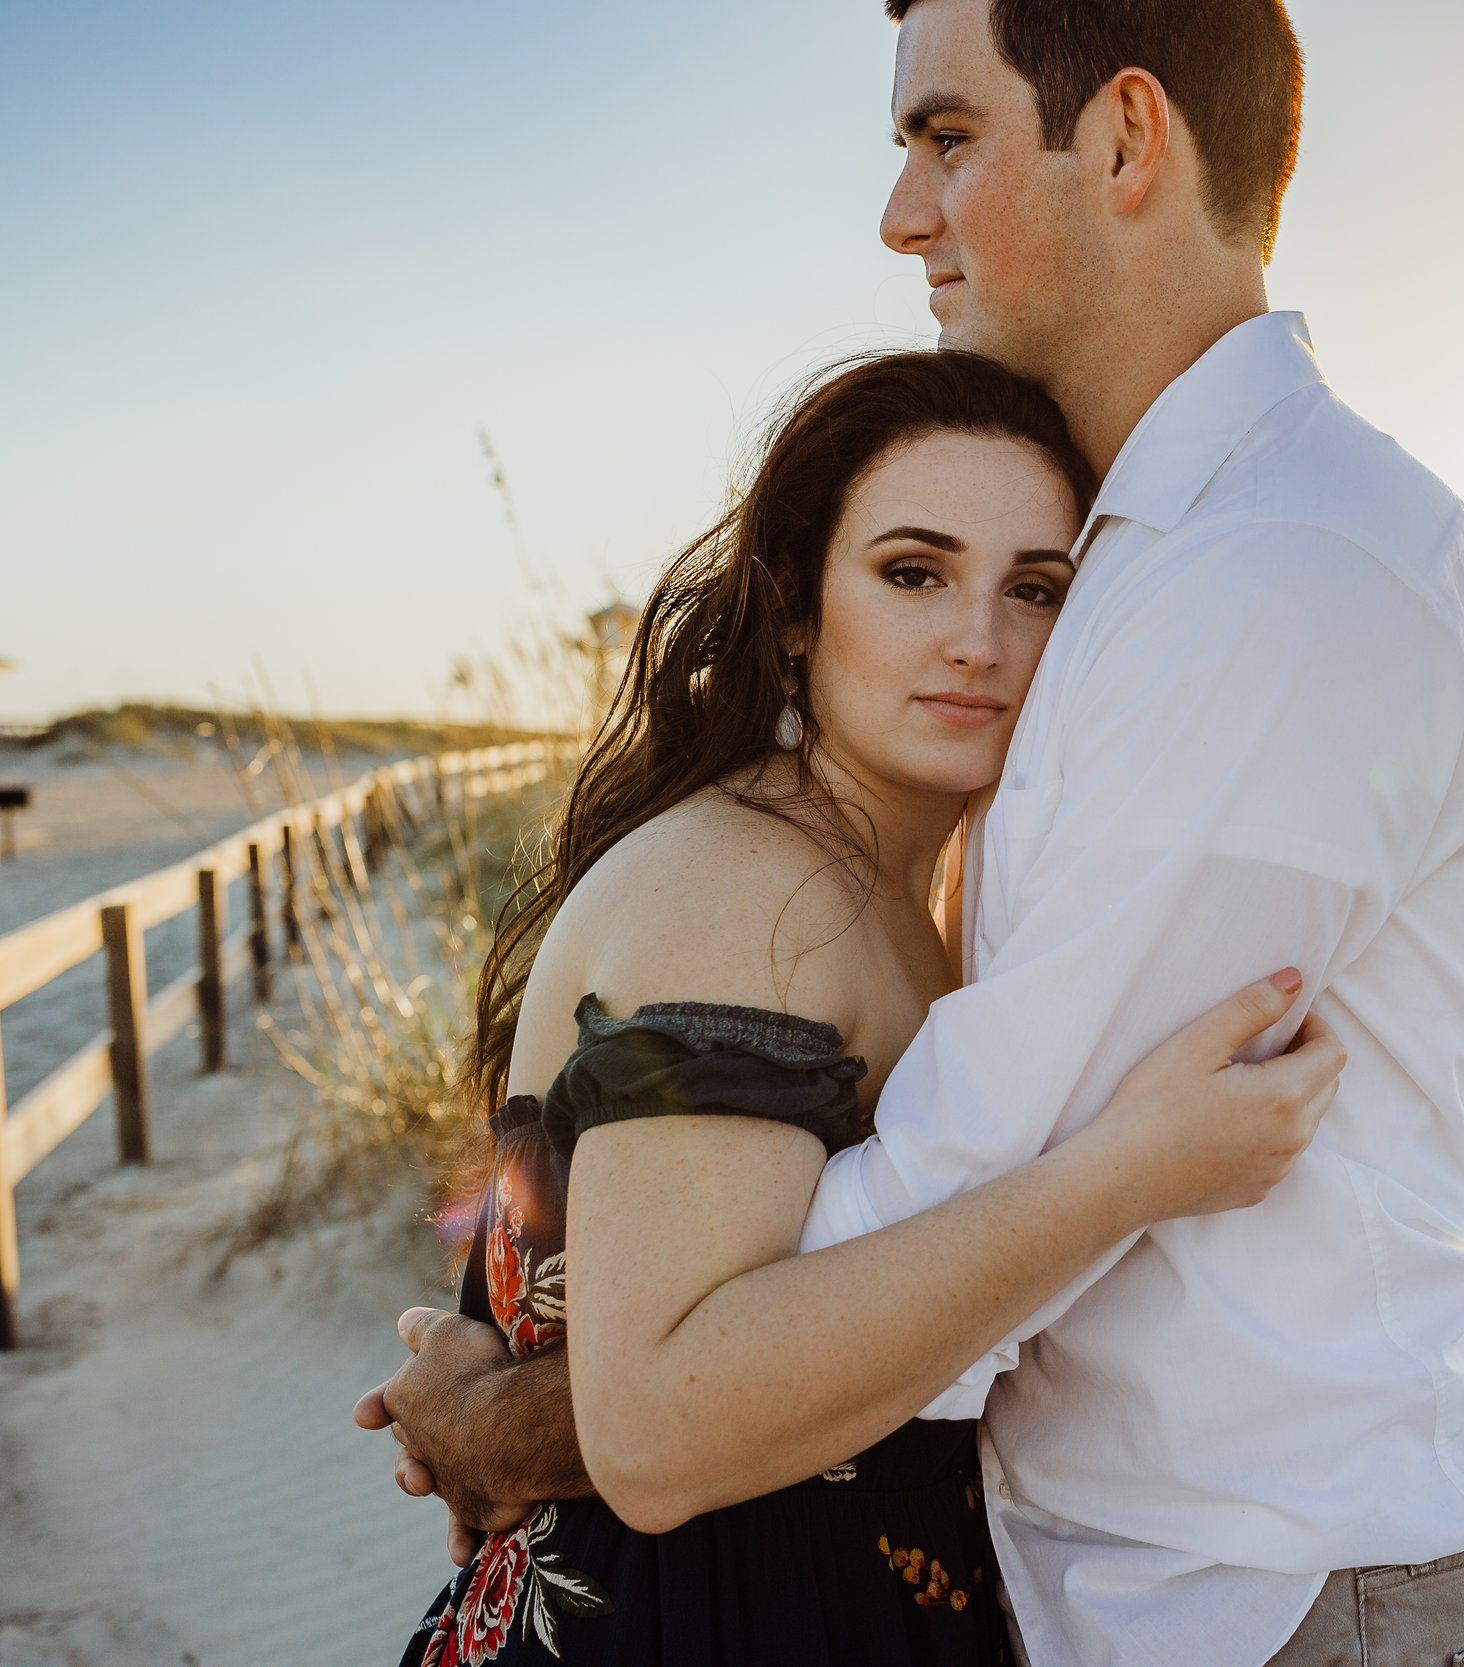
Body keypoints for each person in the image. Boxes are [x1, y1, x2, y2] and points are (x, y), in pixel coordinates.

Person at [373, 2, 1464, 1663]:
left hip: (1282, 1587)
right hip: (1198, 1573)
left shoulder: (1267, 575)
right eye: (913, 574)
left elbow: (960, 1195)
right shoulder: (1157, 558)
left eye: (948, 137)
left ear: (1127, 140)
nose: (902, 215)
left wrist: (527, 1420)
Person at [364, 349, 1346, 1666]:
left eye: (1037, 590)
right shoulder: (753, 894)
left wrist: (486, 1400)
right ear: (793, 610)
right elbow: (656, 1428)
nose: (978, 640)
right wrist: (1130, 1175)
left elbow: (551, 1265)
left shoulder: (879, 887)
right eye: (913, 572)